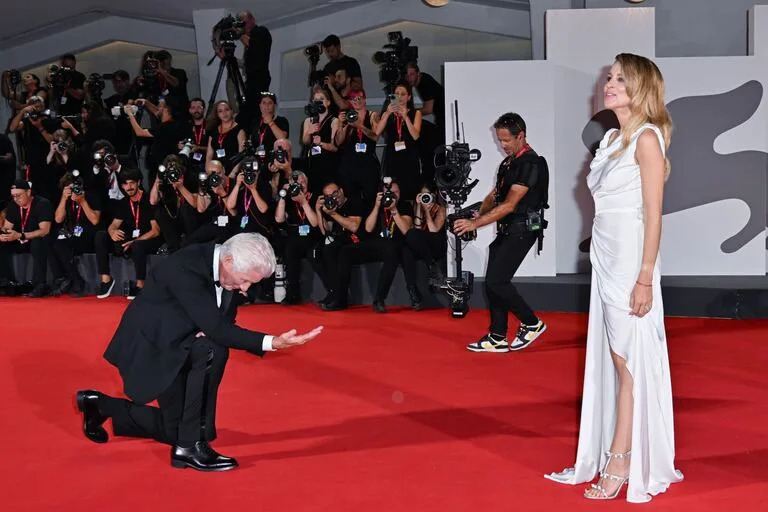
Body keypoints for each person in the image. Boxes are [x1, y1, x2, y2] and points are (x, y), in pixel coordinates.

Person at [544, 53, 683, 502]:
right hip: (605, 256)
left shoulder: (646, 139)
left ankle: (622, 460)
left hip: (630, 262)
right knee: (615, 359)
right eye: (609, 76)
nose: (609, 83)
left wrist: (644, 276)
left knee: (628, 361)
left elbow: (654, 216)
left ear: (640, 87)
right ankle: (613, 450)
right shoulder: (612, 139)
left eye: (620, 78)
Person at [75, 233, 323, 471]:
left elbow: (221, 325)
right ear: (227, 261)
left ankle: (100, 405)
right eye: (245, 280)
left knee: (180, 425)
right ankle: (188, 447)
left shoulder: (229, 271)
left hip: (183, 339)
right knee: (213, 348)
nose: (246, 288)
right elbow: (218, 329)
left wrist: (210, 327)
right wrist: (273, 342)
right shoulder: (185, 267)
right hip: (154, 346)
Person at [454, 112, 548, 352]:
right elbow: (495, 196)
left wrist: (477, 225)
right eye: (499, 140)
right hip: (507, 229)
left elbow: (509, 205)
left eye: (506, 140)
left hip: (522, 229)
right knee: (492, 283)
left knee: (497, 281)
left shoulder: (530, 163)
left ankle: (531, 323)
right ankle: (497, 337)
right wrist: (478, 214)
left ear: (521, 136)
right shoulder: (509, 163)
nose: (502, 145)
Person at [94, 168, 162, 299]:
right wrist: (112, 231)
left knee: (138, 245)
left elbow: (155, 230)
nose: (129, 187)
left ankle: (140, 286)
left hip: (149, 239)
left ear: (139, 182)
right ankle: (106, 280)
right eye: (125, 184)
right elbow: (113, 225)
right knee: (101, 235)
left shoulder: (149, 200)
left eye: (132, 183)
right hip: (131, 239)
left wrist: (135, 241)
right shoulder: (124, 202)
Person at [0, 180, 54, 297]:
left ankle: (39, 284)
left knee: (38, 242)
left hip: (39, 240)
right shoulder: (13, 205)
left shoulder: (42, 204)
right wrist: (4, 235)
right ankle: (6, 282)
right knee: (2, 242)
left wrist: (21, 235)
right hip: (21, 239)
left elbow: (45, 230)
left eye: (19, 195)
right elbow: (7, 228)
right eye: (13, 196)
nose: (16, 199)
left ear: (28, 192)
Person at [375, 81, 422, 200]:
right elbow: (376, 133)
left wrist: (405, 117)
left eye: (403, 94)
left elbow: (416, 135)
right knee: (392, 189)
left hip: (409, 156)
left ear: (409, 97)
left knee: (410, 189)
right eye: (397, 94)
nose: (399, 97)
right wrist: (386, 114)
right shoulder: (388, 113)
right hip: (392, 156)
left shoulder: (415, 113)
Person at [334, 89, 380, 208]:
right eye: (353, 99)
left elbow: (375, 136)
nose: (356, 101)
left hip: (367, 164)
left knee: (370, 199)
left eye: (359, 98)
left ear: (365, 99)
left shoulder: (372, 115)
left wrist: (360, 126)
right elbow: (338, 142)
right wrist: (340, 124)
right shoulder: (347, 117)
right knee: (351, 198)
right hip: (349, 164)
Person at [301, 87, 340, 194]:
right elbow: (305, 142)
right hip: (311, 162)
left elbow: (335, 147)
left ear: (328, 103)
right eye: (316, 100)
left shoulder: (334, 120)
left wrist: (321, 143)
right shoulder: (309, 121)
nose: (318, 102)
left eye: (321, 99)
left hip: (327, 163)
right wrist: (309, 131)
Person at [238, 11, 272, 125]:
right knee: (247, 113)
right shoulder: (250, 39)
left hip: (260, 79)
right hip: (251, 81)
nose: (243, 26)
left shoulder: (261, 31)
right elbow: (244, 64)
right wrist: (226, 57)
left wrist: (239, 34)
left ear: (252, 20)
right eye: (241, 23)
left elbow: (254, 46)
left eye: (244, 22)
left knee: (257, 113)